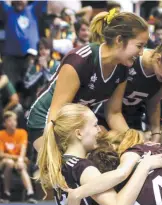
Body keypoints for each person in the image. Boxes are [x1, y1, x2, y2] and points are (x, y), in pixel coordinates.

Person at [26, 9, 149, 152]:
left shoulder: (123, 67)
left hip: (76, 124)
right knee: (71, 169)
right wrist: (54, 155)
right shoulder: (81, 60)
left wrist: (134, 141)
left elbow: (113, 113)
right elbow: (56, 112)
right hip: (46, 121)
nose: (141, 53)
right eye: (139, 46)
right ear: (119, 40)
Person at [94, 31, 162, 143]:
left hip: (133, 119)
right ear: (158, 59)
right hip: (106, 115)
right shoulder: (131, 60)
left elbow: (154, 103)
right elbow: (113, 111)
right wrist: (132, 140)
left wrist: (156, 132)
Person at [0, 111, 35, 203]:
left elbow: (23, 149)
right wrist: (19, 158)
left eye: (14, 120)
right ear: (4, 123)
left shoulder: (22, 132)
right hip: (4, 162)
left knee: (21, 166)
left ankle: (30, 193)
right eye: (9, 120)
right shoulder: (1, 134)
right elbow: (1, 154)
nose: (13, 122)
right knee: (9, 163)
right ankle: (6, 193)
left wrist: (20, 159)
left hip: (18, 161)